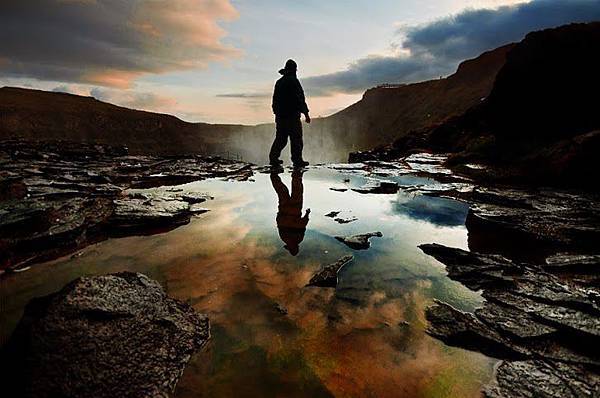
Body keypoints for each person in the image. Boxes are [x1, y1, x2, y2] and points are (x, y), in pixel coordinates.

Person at [269, 59, 311, 168]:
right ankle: (297, 160)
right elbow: (300, 98)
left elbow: (275, 100)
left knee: (281, 139)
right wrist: (306, 114)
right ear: (294, 70)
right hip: (292, 117)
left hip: (280, 117)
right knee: (296, 139)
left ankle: (273, 158)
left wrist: (276, 113)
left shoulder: (279, 82)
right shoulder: (293, 81)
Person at [270, 169, 310, 256]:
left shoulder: (298, 239)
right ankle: (274, 176)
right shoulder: (284, 238)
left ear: (296, 247)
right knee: (282, 191)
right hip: (284, 209)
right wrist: (279, 214)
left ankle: (297, 174)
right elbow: (279, 222)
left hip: (295, 210)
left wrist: (307, 214)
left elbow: (302, 224)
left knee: (297, 191)